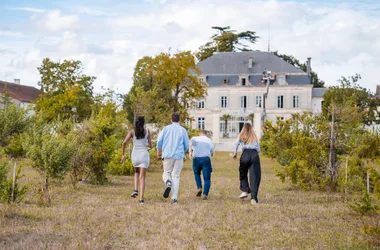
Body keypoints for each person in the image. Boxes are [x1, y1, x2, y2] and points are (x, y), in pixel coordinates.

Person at [157, 112, 189, 204]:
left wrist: (159, 150)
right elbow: (186, 144)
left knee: (166, 172)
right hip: (179, 155)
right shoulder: (183, 130)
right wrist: (183, 150)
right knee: (176, 175)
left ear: (171, 120)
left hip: (167, 154)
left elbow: (159, 141)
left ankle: (168, 182)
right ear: (180, 120)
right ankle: (174, 198)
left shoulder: (166, 129)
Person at [122, 116, 152, 205]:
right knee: (142, 177)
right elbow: (150, 145)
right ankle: (141, 200)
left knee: (136, 172)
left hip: (135, 155)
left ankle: (135, 189)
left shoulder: (132, 132)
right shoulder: (147, 131)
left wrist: (123, 155)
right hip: (144, 155)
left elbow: (124, 143)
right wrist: (148, 147)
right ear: (143, 123)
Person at [232, 123, 261, 205]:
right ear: (251, 128)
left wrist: (235, 153)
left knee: (243, 173)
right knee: (255, 176)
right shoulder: (254, 136)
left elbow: (236, 144)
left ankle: (245, 190)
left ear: (243, 128)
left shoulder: (241, 135)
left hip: (245, 155)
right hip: (254, 155)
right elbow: (258, 149)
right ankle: (253, 198)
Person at [189, 129, 214, 200]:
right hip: (206, 159)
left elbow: (190, 142)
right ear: (206, 134)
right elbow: (212, 153)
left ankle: (199, 187)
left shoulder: (195, 138)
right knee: (207, 178)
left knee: (196, 173)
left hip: (196, 159)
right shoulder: (209, 140)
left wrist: (190, 152)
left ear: (199, 133)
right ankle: (205, 194)